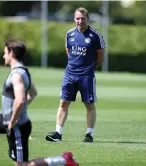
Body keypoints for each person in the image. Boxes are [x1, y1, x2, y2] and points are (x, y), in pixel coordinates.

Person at [0, 40, 79, 166]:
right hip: (9, 119)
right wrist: (15, 112)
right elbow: (33, 93)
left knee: (22, 165)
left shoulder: (17, 75)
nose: (3, 56)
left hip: (16, 125)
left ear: (11, 53)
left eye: (5, 53)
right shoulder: (23, 70)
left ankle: (64, 160)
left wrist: (13, 120)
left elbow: (21, 99)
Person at [45, 7, 105, 143]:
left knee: (89, 104)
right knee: (63, 103)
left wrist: (89, 68)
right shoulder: (69, 34)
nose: (80, 21)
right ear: (74, 19)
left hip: (86, 76)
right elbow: (69, 51)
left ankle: (89, 134)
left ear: (87, 19)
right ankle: (58, 134)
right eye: (77, 18)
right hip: (70, 75)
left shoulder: (96, 36)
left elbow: (100, 57)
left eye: (82, 18)